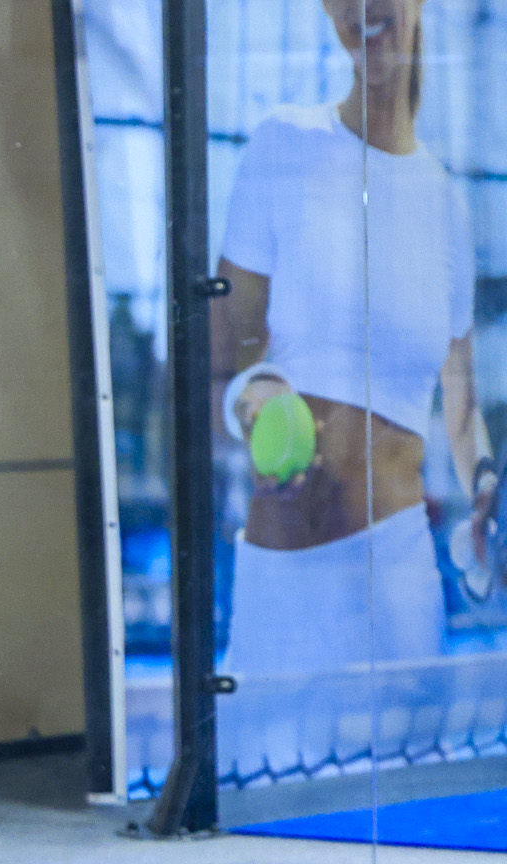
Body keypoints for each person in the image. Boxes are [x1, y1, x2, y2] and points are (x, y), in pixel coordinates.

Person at [212, 0, 497, 674]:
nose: (359, 6)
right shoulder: (282, 145)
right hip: (283, 579)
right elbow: (221, 362)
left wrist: (486, 490)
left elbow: (461, 413)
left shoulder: (448, 205)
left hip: (400, 586)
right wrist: (255, 398)